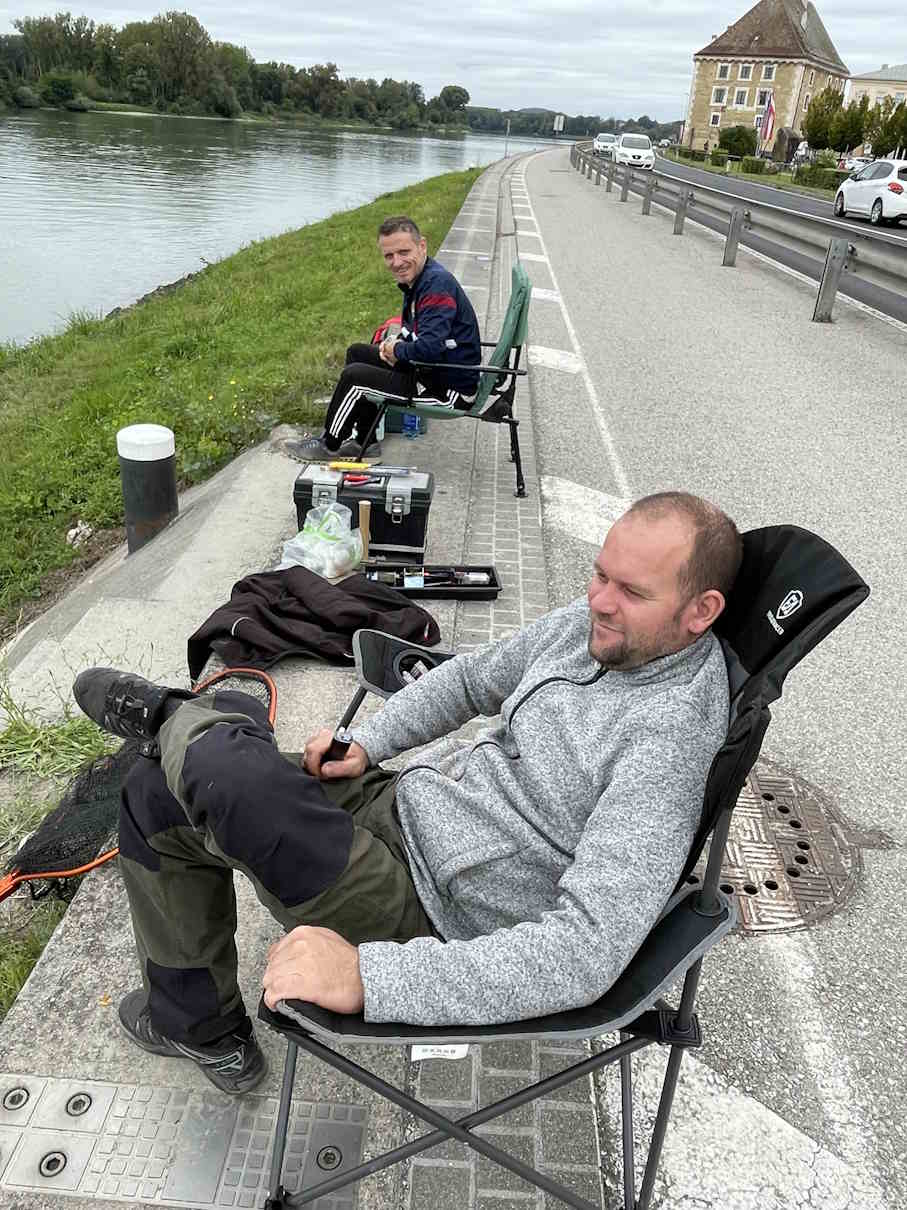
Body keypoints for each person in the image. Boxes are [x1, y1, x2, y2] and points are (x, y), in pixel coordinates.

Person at [73, 491, 742, 1094]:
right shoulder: (594, 625)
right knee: (156, 791)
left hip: (429, 908)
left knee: (220, 777)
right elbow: (472, 679)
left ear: (700, 611)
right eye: (599, 574)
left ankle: (176, 715)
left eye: (631, 591)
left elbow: (584, 953)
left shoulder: (668, 741)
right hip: (405, 804)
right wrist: (370, 742)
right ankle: (201, 1030)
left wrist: (371, 978)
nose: (600, 600)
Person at [291, 216, 482, 461]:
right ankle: (365, 442)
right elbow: (419, 335)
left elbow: (430, 347)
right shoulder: (420, 279)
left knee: (355, 377)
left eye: (404, 252)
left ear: (422, 246)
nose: (397, 262)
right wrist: (394, 345)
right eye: (389, 256)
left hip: (447, 389)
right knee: (357, 352)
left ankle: (329, 445)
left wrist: (397, 351)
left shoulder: (436, 286)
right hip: (433, 372)